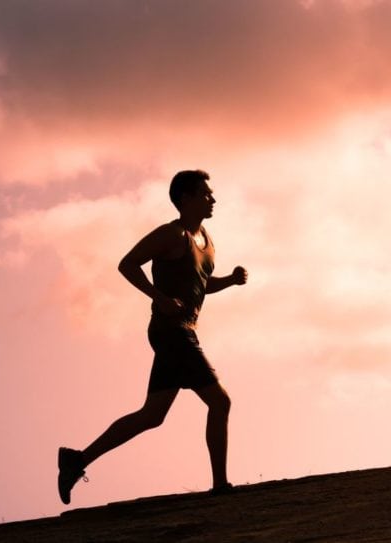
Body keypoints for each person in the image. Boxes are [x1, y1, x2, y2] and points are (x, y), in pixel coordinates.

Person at [57, 169, 248, 504]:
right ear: (185, 199)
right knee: (220, 402)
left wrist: (229, 280)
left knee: (152, 415)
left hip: (180, 332)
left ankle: (77, 460)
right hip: (171, 332)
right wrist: (159, 297)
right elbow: (127, 264)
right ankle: (220, 487)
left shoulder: (206, 240)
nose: (213, 199)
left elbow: (202, 284)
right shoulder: (171, 235)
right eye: (206, 194)